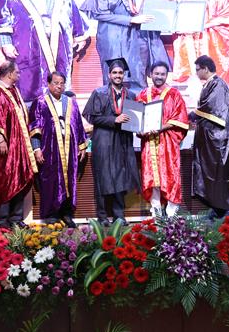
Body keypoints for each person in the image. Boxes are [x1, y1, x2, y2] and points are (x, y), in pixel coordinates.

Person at [0, 0, 86, 103]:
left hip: (58, 45)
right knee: (29, 77)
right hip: (26, 46)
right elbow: (2, 23)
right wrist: (6, 43)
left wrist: (79, 36)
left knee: (60, 73)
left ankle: (58, 105)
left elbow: (75, 16)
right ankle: (30, 106)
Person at [80, 0, 171, 92]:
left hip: (143, 37)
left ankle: (138, 103)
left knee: (139, 71)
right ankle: (114, 103)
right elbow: (98, 14)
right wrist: (130, 20)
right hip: (115, 37)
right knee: (117, 73)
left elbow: (162, 12)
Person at [0, 61, 37, 229]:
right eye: (17, 72)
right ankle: (3, 221)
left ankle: (16, 219)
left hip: (19, 147)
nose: (19, 75)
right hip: (4, 148)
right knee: (5, 183)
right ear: (9, 73)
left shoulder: (14, 91)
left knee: (20, 180)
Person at [82, 58, 140, 226]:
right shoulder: (99, 93)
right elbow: (92, 117)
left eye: (120, 73)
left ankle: (119, 216)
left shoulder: (131, 95)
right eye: (114, 72)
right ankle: (102, 217)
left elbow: (135, 119)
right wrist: (114, 119)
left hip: (123, 141)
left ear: (124, 75)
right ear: (109, 75)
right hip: (103, 140)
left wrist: (139, 124)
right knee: (102, 177)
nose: (117, 75)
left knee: (121, 176)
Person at [28, 71, 87, 226]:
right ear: (48, 84)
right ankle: (52, 214)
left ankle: (66, 213)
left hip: (69, 149)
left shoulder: (71, 102)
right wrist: (36, 149)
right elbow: (34, 127)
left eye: (61, 83)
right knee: (51, 180)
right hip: (49, 149)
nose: (59, 86)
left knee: (69, 179)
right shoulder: (40, 102)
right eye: (55, 83)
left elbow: (78, 124)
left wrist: (82, 146)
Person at [190, 56, 229, 220]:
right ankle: (217, 208)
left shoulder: (218, 84)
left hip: (220, 139)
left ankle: (228, 209)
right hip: (210, 139)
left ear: (205, 68)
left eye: (198, 69)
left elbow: (214, 109)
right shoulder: (209, 85)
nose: (196, 73)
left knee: (222, 173)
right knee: (212, 174)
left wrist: (194, 113)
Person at [136, 62, 189, 217]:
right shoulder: (142, 95)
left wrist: (160, 127)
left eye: (162, 74)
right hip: (149, 142)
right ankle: (156, 212)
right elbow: (137, 120)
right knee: (152, 177)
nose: (159, 77)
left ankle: (172, 212)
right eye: (156, 73)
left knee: (170, 175)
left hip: (167, 142)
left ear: (166, 75)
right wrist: (140, 130)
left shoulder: (174, 94)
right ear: (150, 75)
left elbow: (180, 119)